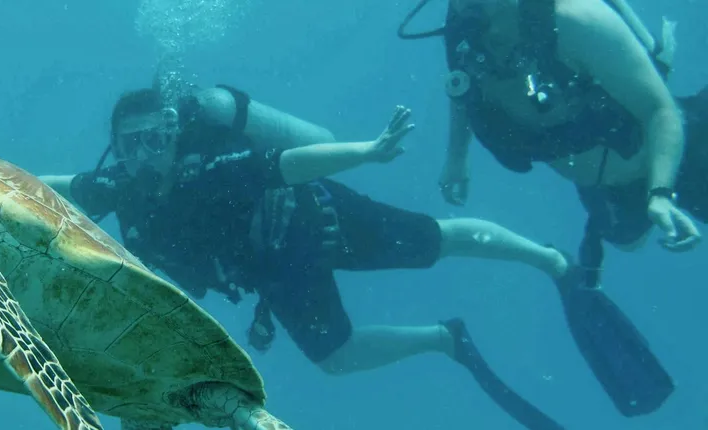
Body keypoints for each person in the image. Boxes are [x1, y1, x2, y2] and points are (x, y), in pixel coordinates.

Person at [39, 83, 571, 428]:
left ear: (175, 136)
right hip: (278, 270)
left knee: (437, 239)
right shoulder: (116, 187)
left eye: (156, 139)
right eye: (131, 143)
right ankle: (444, 339)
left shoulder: (208, 172)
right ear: (114, 144)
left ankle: (545, 259)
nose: (144, 154)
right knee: (336, 359)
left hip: (314, 220)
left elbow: (289, 163)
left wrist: (367, 151)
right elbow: (54, 186)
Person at [396, 0, 692, 418]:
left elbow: (660, 110)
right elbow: (461, 84)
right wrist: (456, 156)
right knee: (629, 241)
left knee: (646, 224)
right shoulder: (463, 23)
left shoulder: (577, 21)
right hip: (599, 183)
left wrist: (660, 193)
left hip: (673, 157)